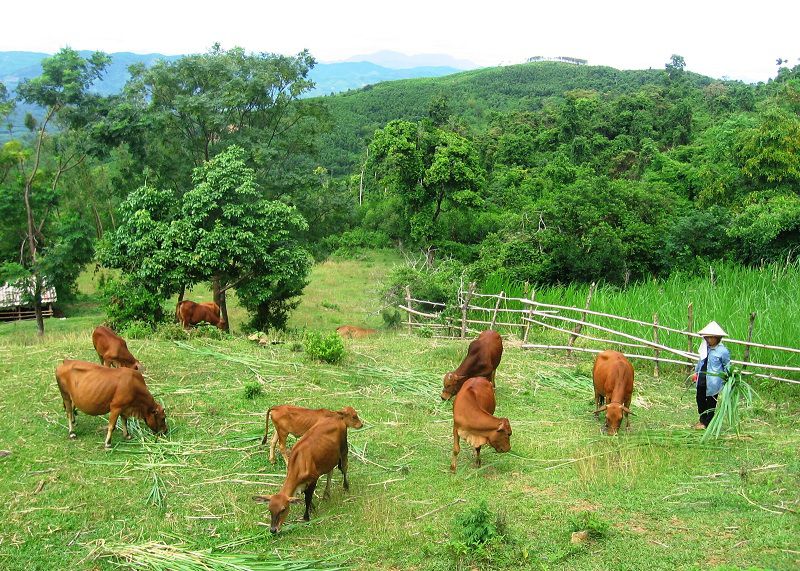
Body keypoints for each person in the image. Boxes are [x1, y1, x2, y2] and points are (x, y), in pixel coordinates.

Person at [692, 321, 731, 429]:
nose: (708, 340)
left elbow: (727, 366)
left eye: (711, 338)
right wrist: (696, 373)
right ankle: (702, 419)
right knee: (699, 399)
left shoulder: (723, 351)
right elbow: (700, 362)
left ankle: (707, 423)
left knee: (711, 403)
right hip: (702, 378)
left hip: (713, 382)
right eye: (707, 338)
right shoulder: (705, 348)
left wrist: (729, 379)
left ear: (717, 338)